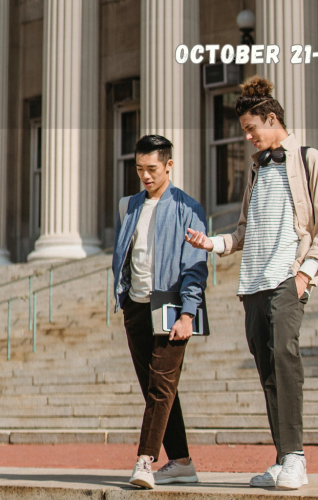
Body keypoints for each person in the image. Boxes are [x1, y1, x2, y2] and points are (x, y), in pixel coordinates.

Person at [186, 77, 318, 491]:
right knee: (267, 369)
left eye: (252, 129)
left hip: (285, 279)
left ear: (272, 118)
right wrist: (211, 242)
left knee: (286, 359)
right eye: (245, 132)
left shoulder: (308, 159)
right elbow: (243, 232)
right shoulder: (256, 171)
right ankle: (283, 456)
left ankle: (297, 458)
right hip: (252, 282)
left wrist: (306, 273)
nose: (248, 138)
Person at [112, 134, 208, 490]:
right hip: (136, 306)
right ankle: (181, 462)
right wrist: (123, 298)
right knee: (156, 387)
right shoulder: (129, 205)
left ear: (169, 165)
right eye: (139, 169)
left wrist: (189, 313)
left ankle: (145, 460)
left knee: (160, 386)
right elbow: (125, 254)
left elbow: (196, 266)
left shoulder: (189, 208)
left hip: (171, 302)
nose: (145, 176)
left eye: (152, 168)